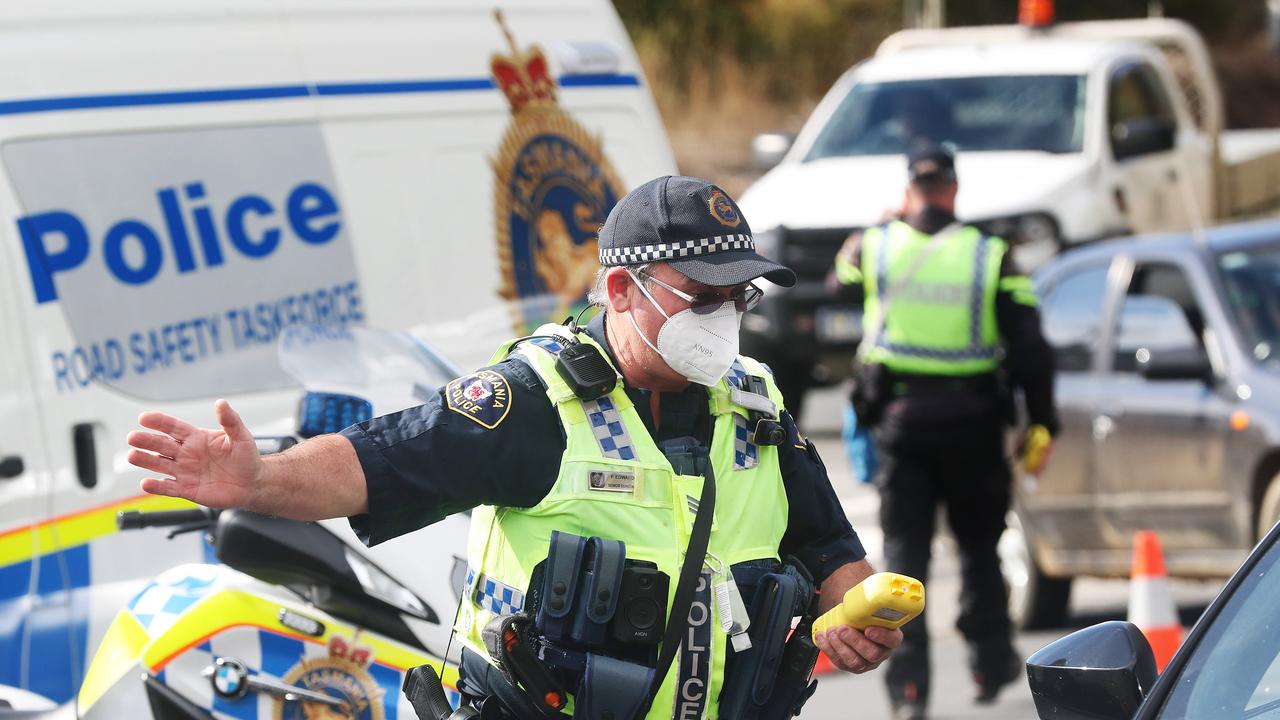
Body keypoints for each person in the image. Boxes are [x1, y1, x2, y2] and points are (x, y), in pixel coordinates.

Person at [127, 175, 902, 719]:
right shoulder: (535, 402)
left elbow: (830, 551)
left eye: (740, 297)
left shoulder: (755, 406)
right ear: (621, 289)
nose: (725, 319)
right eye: (702, 297)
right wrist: (258, 476)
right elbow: (378, 461)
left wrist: (860, 621)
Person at [830, 146, 1058, 720]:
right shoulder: (991, 255)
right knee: (981, 550)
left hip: (900, 427)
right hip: (974, 427)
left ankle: (908, 690)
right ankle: (989, 661)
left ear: (911, 189)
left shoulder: (874, 244)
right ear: (953, 190)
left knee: (905, 561)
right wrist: (1043, 420)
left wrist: (877, 229)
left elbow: (836, 287)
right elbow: (1031, 348)